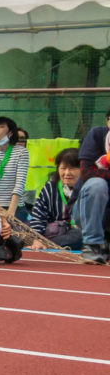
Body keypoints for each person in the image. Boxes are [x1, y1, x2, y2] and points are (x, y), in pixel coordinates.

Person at [72, 110, 110, 264]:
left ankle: (105, 243)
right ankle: (92, 244)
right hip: (86, 211)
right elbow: (88, 173)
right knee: (97, 184)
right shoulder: (97, 136)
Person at [28, 147, 82, 250]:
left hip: (75, 233)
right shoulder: (50, 187)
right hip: (51, 231)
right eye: (63, 168)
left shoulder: (89, 189)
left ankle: (47, 244)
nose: (67, 173)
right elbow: (39, 214)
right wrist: (37, 238)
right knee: (15, 227)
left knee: (79, 236)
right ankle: (42, 243)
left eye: (72, 168)